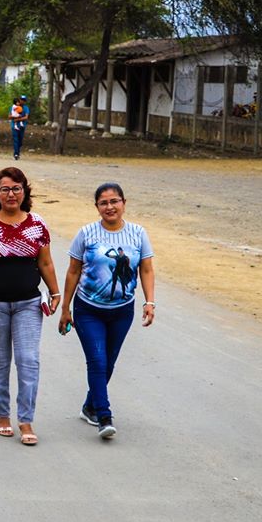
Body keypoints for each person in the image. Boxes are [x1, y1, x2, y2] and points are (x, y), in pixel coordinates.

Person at [0, 167, 61, 447]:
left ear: (24, 191)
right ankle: (2, 416)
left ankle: (26, 420)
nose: (11, 194)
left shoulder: (37, 224)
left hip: (28, 304)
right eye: (5, 189)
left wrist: (55, 292)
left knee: (28, 360)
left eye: (16, 188)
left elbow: (45, 262)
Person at [58, 182, 156, 440]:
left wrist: (150, 302)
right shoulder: (86, 233)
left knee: (108, 363)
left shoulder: (138, 233)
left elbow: (146, 269)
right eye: (104, 203)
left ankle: (90, 406)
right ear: (97, 207)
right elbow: (73, 271)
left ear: (124, 203)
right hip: (88, 309)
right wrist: (65, 308)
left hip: (122, 311)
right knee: (97, 361)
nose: (110, 207)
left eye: (114, 201)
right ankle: (104, 416)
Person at [11, 95, 30, 160]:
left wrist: (18, 119)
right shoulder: (14, 107)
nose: (22, 101)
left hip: (22, 126)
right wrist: (15, 117)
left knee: (20, 141)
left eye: (24, 100)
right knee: (16, 140)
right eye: (21, 100)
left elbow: (26, 117)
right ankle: (16, 154)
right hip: (14, 126)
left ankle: (17, 152)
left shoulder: (26, 108)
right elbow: (10, 116)